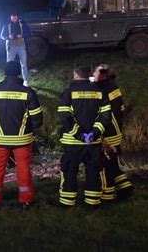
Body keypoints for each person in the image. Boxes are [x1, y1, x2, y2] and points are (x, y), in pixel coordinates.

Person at [0, 61, 43, 210]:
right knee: (23, 168)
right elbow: (37, 119)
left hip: (0, 139)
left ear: (5, 73)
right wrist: (29, 128)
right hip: (22, 139)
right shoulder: (28, 92)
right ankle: (25, 200)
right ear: (18, 73)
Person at [57, 64, 111, 208]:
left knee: (69, 171)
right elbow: (105, 116)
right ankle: (93, 202)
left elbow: (65, 116)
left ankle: (67, 203)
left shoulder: (68, 93)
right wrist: (94, 133)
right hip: (93, 142)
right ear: (89, 75)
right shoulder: (99, 92)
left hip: (72, 142)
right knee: (93, 171)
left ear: (76, 75)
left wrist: (79, 134)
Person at [92, 63, 134, 201]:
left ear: (103, 75)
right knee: (112, 163)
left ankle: (107, 195)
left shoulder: (102, 90)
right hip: (116, 130)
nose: (93, 74)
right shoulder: (113, 88)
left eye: (96, 72)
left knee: (104, 165)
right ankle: (125, 187)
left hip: (108, 132)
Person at [0, 11, 31, 87]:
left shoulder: (22, 24)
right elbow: (2, 36)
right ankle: (8, 80)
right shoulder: (7, 24)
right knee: (9, 64)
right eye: (12, 16)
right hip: (11, 46)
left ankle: (25, 81)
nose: (14, 18)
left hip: (21, 46)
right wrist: (8, 37)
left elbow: (29, 33)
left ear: (18, 17)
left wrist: (22, 35)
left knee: (24, 64)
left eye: (15, 16)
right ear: (10, 17)